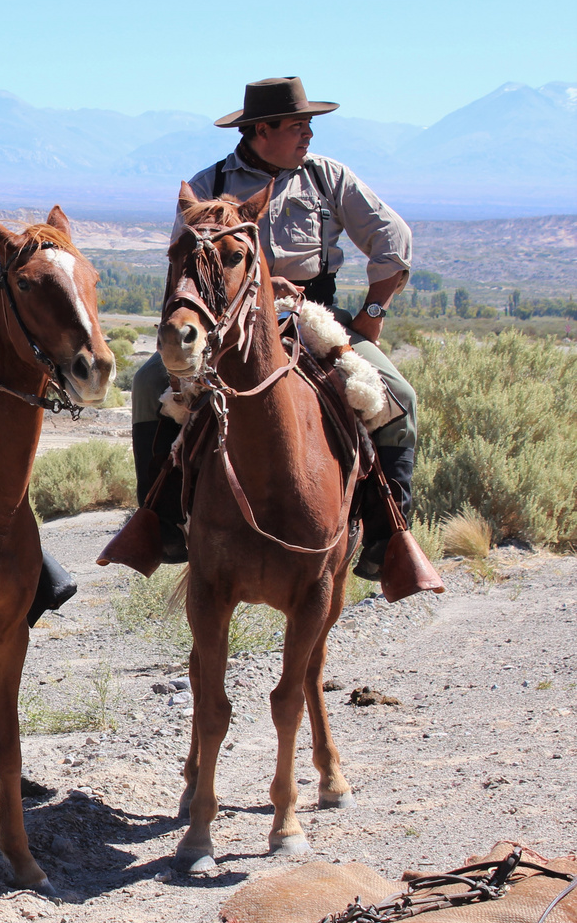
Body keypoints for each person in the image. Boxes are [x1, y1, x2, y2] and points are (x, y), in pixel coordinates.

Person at [131, 77, 417, 579]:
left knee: (397, 396)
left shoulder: (328, 178)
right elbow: (183, 264)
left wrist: (371, 315)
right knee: (149, 384)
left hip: (314, 320)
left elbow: (393, 237)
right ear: (261, 130)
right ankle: (161, 523)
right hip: (230, 324)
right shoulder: (208, 185)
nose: (308, 135)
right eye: (298, 125)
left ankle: (386, 537)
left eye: (309, 125)